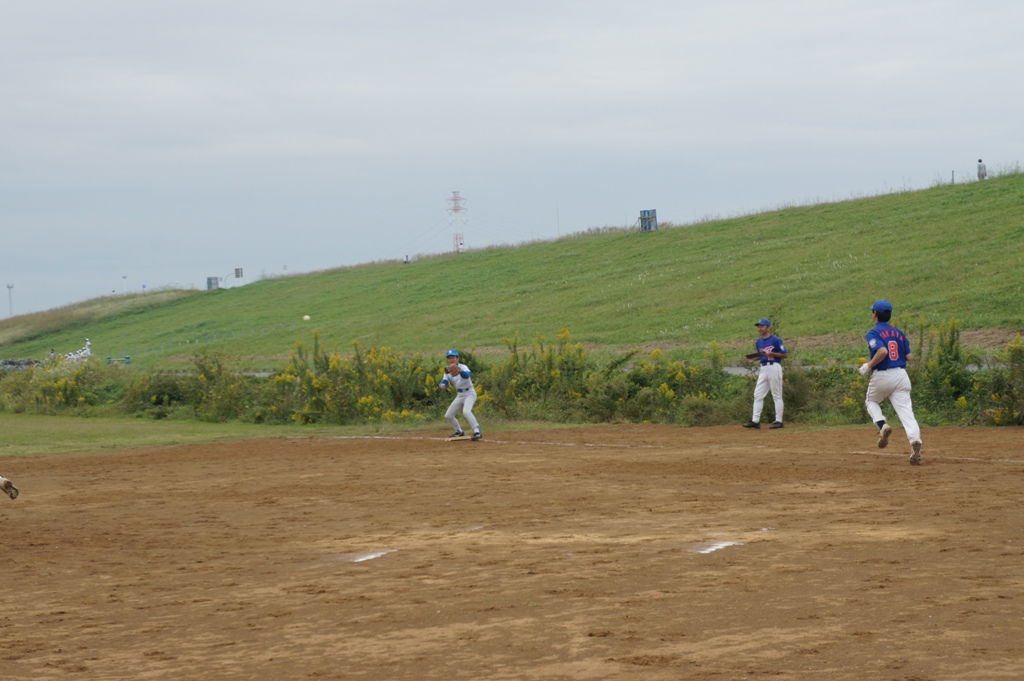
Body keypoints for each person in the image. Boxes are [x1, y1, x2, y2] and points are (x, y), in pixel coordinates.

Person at [860, 300, 923, 465]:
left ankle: (882, 426)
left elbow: (882, 351)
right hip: (901, 375)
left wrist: (868, 365)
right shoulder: (899, 333)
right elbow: (909, 357)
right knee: (907, 414)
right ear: (889, 315)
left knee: (871, 401)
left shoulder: (873, 333)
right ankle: (915, 441)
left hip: (883, 375)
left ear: (875, 314)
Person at [743, 318, 787, 429]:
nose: (760, 328)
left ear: (768, 328)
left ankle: (778, 421)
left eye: (762, 326)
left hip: (774, 366)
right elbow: (762, 355)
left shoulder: (776, 340)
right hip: (764, 368)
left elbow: (785, 354)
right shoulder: (759, 342)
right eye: (758, 326)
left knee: (776, 394)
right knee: (757, 394)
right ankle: (755, 421)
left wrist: (771, 353)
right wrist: (753, 359)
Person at [439, 349, 482, 441]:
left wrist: (460, 371)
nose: (451, 359)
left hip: (470, 393)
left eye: (453, 357)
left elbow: (467, 376)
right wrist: (443, 385)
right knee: (448, 415)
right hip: (460, 395)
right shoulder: (447, 371)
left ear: (457, 358)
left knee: (466, 411)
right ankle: (459, 431)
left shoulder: (463, 367)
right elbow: (444, 382)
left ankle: (477, 431)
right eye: (449, 358)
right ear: (448, 360)